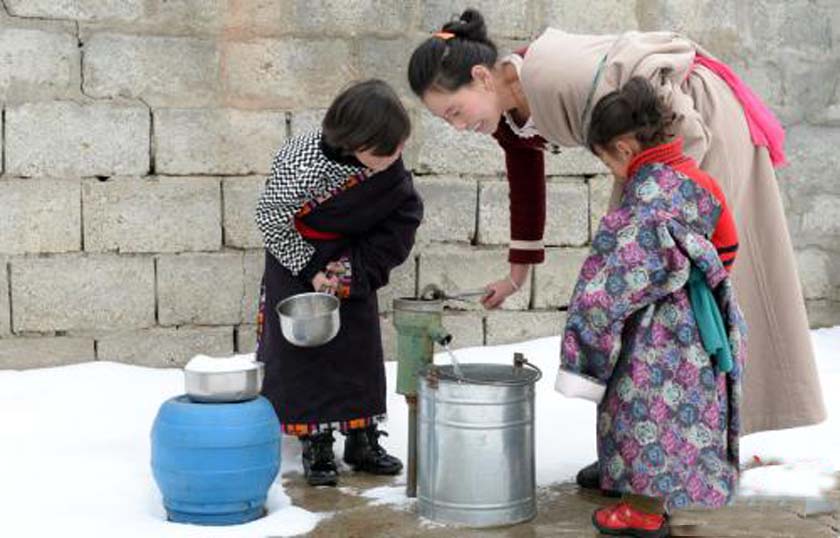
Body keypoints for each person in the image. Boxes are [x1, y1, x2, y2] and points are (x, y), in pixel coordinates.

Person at [407, 8, 825, 485]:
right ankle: (638, 453)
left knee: (674, 319)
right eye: (447, 121)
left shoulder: (555, 72)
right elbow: (526, 182)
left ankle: (673, 460)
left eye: (455, 112)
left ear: (481, 77)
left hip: (692, 137)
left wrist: (670, 205)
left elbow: (662, 96)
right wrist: (515, 276)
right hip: (650, 162)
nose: (458, 126)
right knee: (642, 318)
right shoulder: (511, 110)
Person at [555, 76, 746, 538]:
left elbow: (606, 293)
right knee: (687, 412)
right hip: (703, 325)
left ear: (623, 148)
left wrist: (583, 354)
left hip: (653, 334)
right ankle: (637, 481)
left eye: (604, 160)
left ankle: (642, 510)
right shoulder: (700, 181)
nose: (610, 171)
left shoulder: (640, 207)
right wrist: (694, 282)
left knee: (643, 411)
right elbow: (728, 247)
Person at [255, 79, 423, 487]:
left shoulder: (385, 168)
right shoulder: (301, 161)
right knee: (303, 353)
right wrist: (312, 267)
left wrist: (350, 270)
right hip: (295, 261)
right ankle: (316, 442)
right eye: (386, 151)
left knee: (358, 350)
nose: (396, 157)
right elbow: (271, 220)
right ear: (353, 144)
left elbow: (399, 218)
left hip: (352, 263)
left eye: (400, 146)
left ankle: (362, 438)